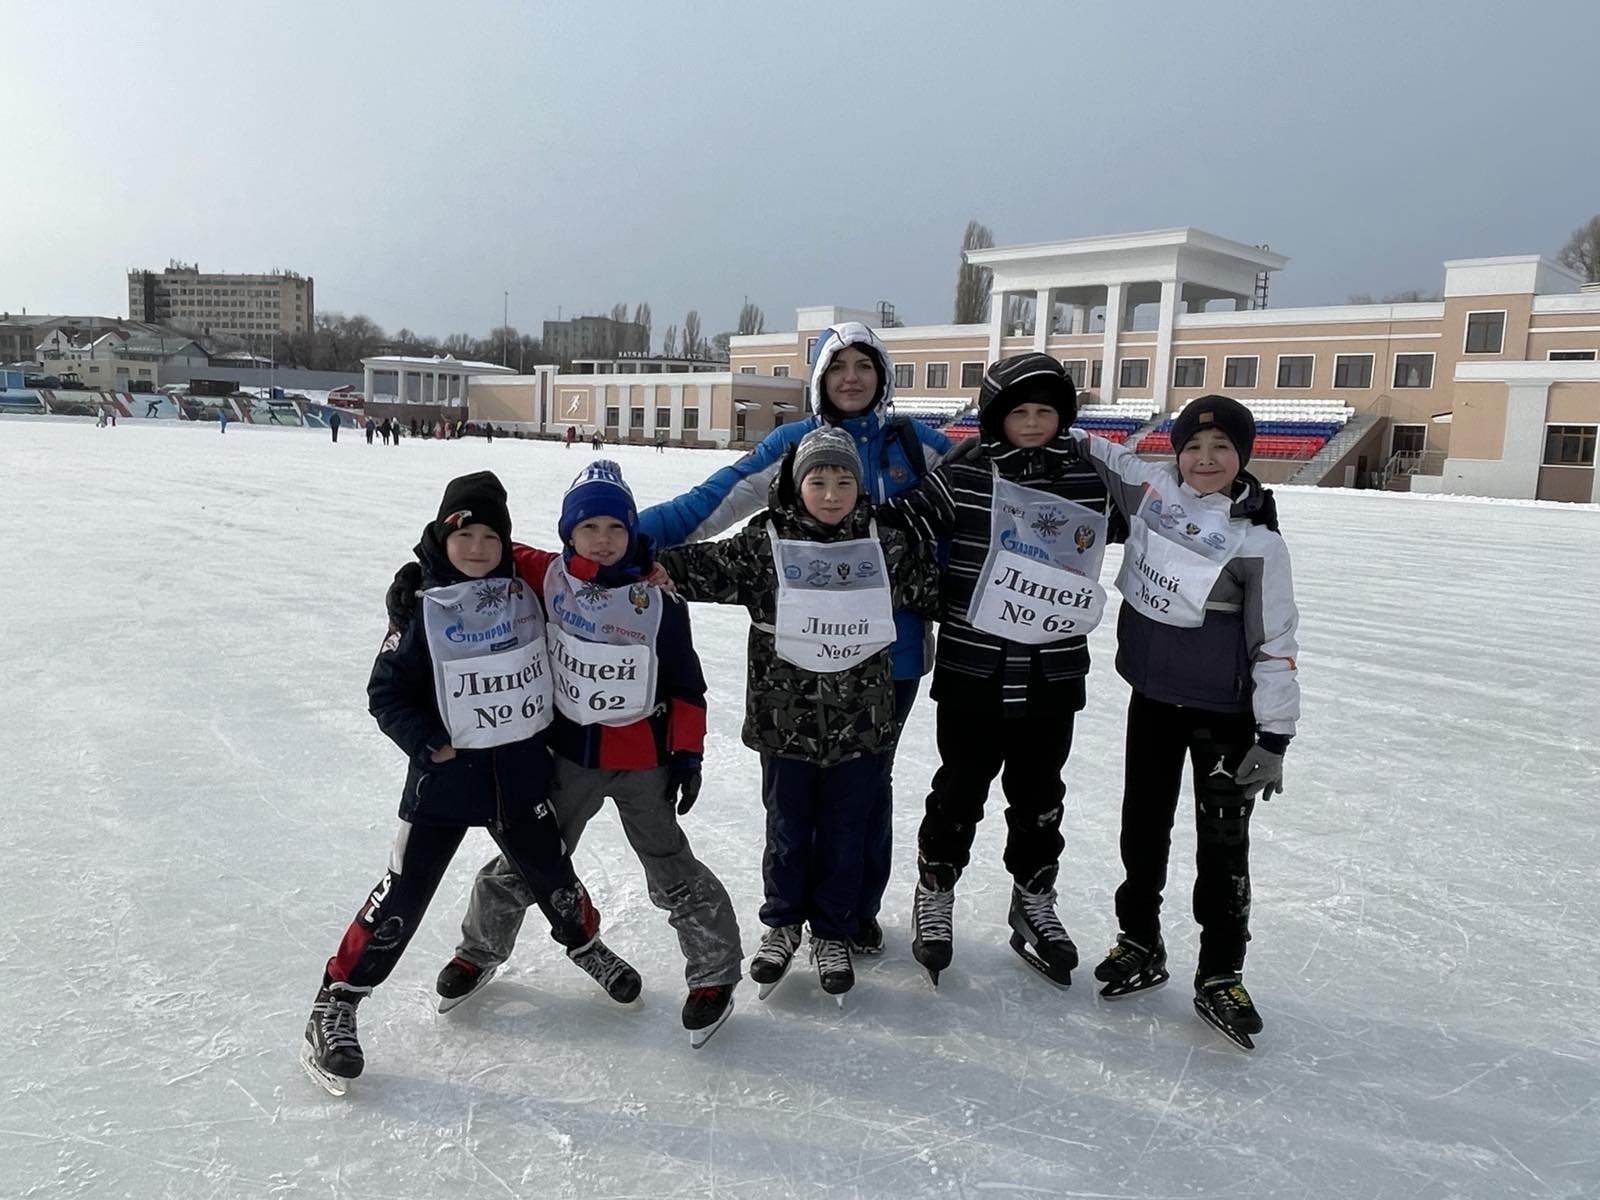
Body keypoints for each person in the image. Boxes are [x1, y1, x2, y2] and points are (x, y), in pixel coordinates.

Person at [300, 472, 642, 1096]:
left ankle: (585, 943)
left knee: (554, 875)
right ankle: (337, 1001)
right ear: (442, 536)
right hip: (444, 784)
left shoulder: (525, 594)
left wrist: (649, 580)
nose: (479, 547)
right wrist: (429, 742)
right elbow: (386, 694)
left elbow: (591, 594)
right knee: (402, 896)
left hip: (517, 778)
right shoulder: (422, 606)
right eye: (466, 534)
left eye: (492, 535)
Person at [392, 462, 744, 1046]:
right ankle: (478, 950)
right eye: (588, 527)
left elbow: (687, 685)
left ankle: (714, 971)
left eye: (615, 526)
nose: (602, 539)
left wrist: (687, 754)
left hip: (642, 761)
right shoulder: (545, 575)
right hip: (570, 758)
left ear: (632, 532)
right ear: (568, 534)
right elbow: (480, 555)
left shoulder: (658, 599)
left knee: (669, 864)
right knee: (531, 856)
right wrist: (414, 577)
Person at [637, 323, 950, 956]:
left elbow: (994, 484)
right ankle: (789, 912)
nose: (853, 378)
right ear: (820, 379)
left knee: (866, 790)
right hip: (797, 667)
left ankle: (852, 911)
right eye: (839, 367)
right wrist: (618, 538)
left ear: (882, 375)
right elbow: (710, 503)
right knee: (798, 795)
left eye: (865, 365)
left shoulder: (916, 445)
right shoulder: (793, 443)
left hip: (895, 655)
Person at [1069, 394, 1300, 1047]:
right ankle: (1139, 941)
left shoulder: (1259, 545)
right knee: (1142, 832)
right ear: (1176, 454)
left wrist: (1275, 735)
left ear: (1243, 458)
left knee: (1223, 851)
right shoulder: (1153, 498)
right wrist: (1054, 417)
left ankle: (1221, 973)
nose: (1205, 459)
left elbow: (1276, 643)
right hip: (1153, 702)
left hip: (1224, 718)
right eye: (1194, 448)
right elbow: (1104, 455)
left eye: (1221, 448)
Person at [880, 354, 1116, 988]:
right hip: (973, 668)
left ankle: (1033, 898)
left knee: (1040, 795)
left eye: (1045, 411)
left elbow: (1166, 520)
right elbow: (894, 525)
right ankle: (936, 889)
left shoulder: (1089, 481)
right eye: (1020, 412)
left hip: (1052, 671)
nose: (1033, 423)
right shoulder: (963, 477)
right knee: (960, 789)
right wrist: (930, 591)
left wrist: (1244, 507)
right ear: (996, 419)